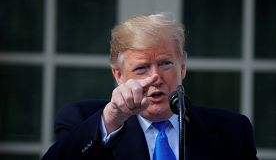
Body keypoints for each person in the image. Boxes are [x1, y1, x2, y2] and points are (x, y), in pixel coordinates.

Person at [42, 13, 258, 160]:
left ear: (182, 66)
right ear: (118, 74)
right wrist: (111, 119)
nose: (156, 77)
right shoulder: (83, 119)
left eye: (166, 63)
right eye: (142, 68)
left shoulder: (232, 130)